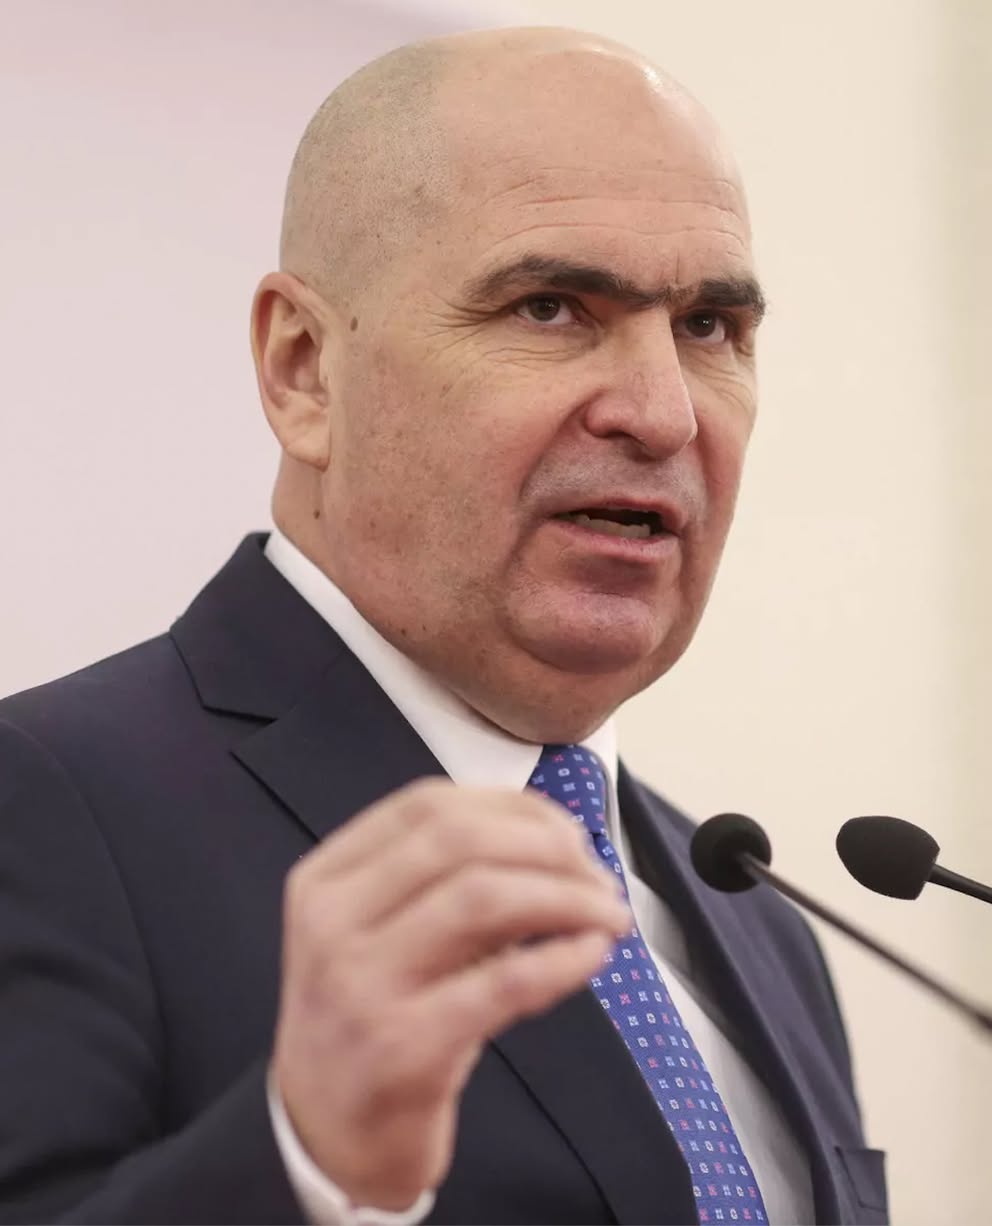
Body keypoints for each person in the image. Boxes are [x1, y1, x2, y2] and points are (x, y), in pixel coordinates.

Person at [0, 26, 888, 1226]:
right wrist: (308, 1158)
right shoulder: (46, 809)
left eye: (709, 327)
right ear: (304, 369)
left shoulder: (757, 917)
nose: (663, 413)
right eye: (550, 307)